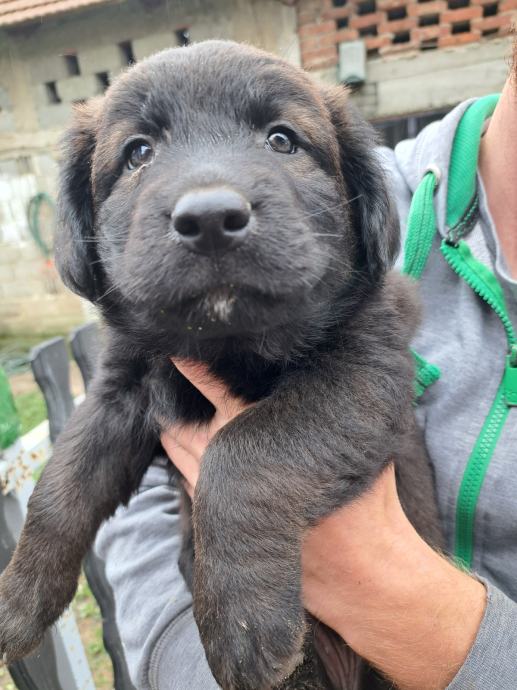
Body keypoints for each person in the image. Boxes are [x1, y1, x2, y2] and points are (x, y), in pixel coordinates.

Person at [95, 38, 517, 690]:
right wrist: (206, 664)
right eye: (140, 153)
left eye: (281, 140)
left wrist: (403, 603)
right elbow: (135, 456)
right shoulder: (358, 191)